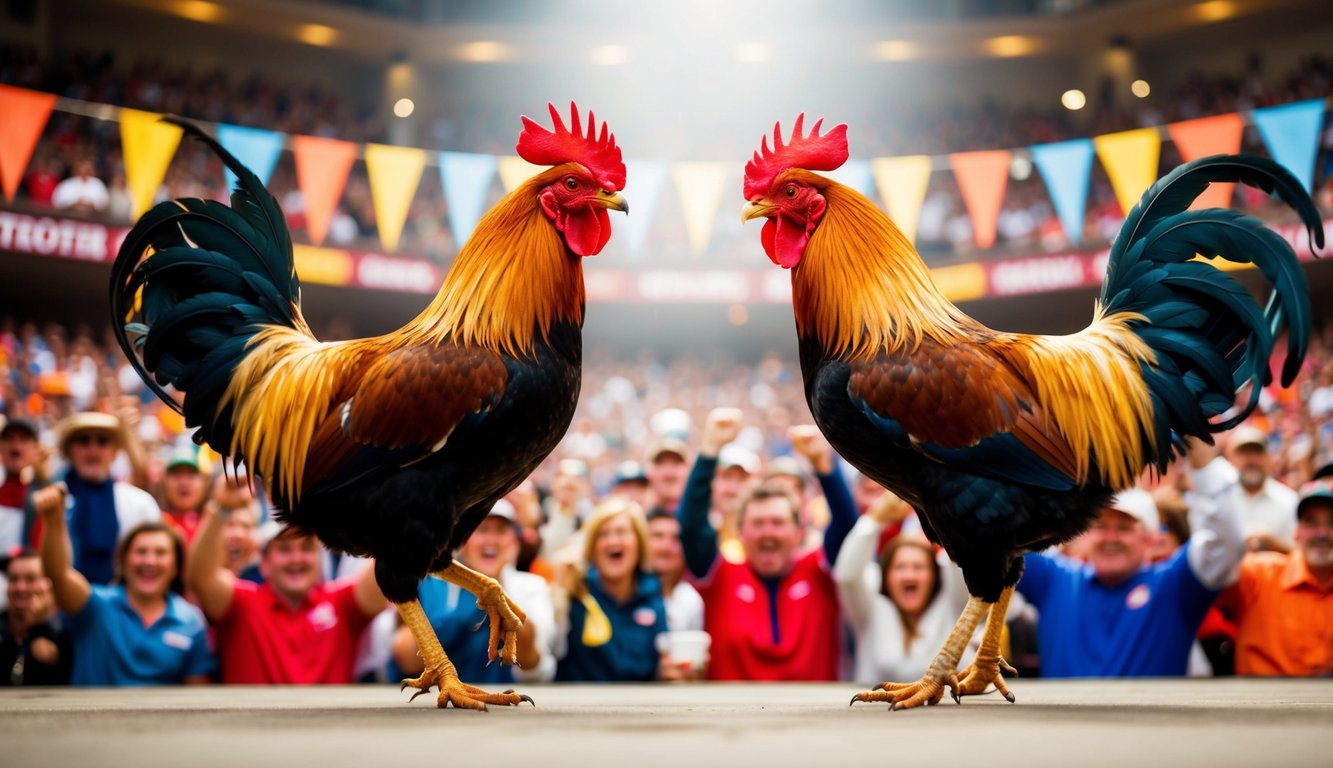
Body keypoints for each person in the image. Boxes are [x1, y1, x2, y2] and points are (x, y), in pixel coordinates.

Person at [1016, 442, 1244, 677]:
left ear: (1151, 539)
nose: (1111, 538)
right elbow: (1003, 539)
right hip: (1058, 716)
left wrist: (1204, 463)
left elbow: (1224, 544)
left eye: (1124, 528)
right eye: (1101, 526)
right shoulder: (1056, 580)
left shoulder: (1175, 585)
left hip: (1149, 715)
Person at [678, 408, 857, 681]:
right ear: (740, 533)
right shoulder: (719, 576)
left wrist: (823, 464)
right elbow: (691, 527)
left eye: (777, 522)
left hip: (815, 720)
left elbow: (846, 525)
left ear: (799, 532)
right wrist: (709, 450)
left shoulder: (819, 572)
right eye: (758, 523)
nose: (768, 533)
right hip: (729, 720)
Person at [35, 484, 213, 685]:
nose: (150, 561)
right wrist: (53, 520)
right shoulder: (96, 606)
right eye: (141, 552)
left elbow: (197, 695)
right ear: (123, 562)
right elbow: (57, 575)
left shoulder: (190, 621)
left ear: (175, 566)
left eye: (161, 553)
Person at [186, 507, 387, 684]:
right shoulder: (242, 603)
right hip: (253, 726)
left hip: (330, 727)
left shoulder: (340, 603)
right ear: (264, 563)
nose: (296, 558)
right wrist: (220, 508)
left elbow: (385, 572)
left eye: (306, 548)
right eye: (284, 549)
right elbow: (201, 578)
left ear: (318, 558)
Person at [391, 501, 555, 685]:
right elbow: (406, 659)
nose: (491, 540)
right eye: (481, 529)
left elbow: (535, 663)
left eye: (500, 531)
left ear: (514, 542)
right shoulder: (428, 584)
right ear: (462, 541)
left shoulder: (532, 587)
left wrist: (499, 601)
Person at [833, 491, 983, 684]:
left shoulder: (953, 600)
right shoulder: (869, 609)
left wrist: (944, 513)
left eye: (919, 567)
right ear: (885, 576)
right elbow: (847, 576)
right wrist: (874, 519)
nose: (909, 575)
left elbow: (963, 559)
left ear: (935, 575)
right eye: (900, 567)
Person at [1217, 478, 1333, 676]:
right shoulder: (1259, 573)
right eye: (1311, 522)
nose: (1322, 533)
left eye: (1332, 523)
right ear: (1296, 532)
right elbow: (1212, 573)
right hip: (1257, 701)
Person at [27, 412, 159, 586]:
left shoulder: (140, 503)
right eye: (83, 441)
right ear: (69, 451)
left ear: (114, 452)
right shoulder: (52, 501)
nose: (93, 450)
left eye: (102, 441)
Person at [554, 497, 669, 682]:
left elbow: (661, 665)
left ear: (639, 543)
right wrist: (559, 592)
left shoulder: (654, 597)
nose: (612, 541)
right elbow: (547, 656)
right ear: (592, 546)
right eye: (603, 534)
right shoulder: (575, 592)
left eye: (621, 532)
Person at [1, 547, 72, 685]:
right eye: (13, 579)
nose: (20, 587)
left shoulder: (65, 632)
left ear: (48, 585)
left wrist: (41, 626)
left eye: (30, 579)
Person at [1225, 424, 1299, 552]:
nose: (1252, 460)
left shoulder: (1289, 500)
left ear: (1268, 457)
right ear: (1231, 458)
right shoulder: (1220, 499)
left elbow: (1301, 553)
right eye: (1245, 453)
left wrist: (1275, 543)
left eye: (1258, 452)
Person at [645, 506, 705, 633]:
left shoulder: (690, 600)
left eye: (675, 538)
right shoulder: (626, 592)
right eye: (658, 536)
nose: (666, 546)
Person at [1, 419, 44, 557]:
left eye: (24, 440)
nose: (16, 446)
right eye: (9, 439)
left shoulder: (43, 494)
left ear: (35, 448)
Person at [159, 447, 207, 546]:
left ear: (205, 482)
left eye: (191, 475)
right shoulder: (156, 522)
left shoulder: (215, 524)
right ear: (164, 482)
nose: (183, 483)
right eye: (176, 475)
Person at [644, 437, 690, 513]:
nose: (669, 473)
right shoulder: (637, 516)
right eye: (661, 464)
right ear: (649, 472)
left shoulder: (703, 514)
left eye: (676, 463)